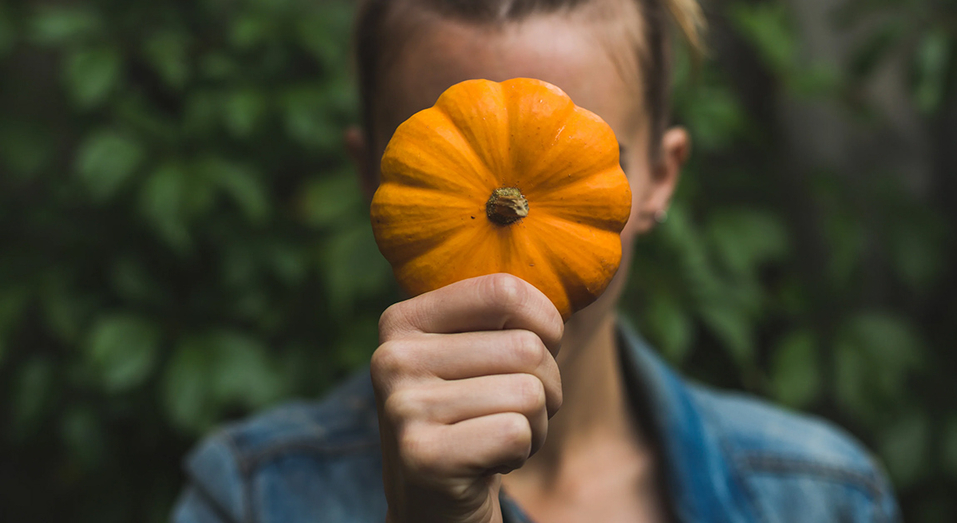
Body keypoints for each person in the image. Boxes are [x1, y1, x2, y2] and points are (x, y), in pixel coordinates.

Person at [172, 0, 902, 522]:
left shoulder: (824, 496)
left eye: (585, 164)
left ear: (658, 176)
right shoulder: (249, 496)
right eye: (440, 160)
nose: (508, 206)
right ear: (375, 181)